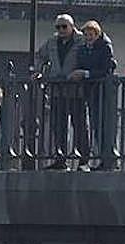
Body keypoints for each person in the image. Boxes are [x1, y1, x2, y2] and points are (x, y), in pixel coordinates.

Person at [36, 14, 91, 170]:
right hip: (57, 90)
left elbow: (94, 52)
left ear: (72, 27)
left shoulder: (82, 40)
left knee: (79, 126)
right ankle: (60, 159)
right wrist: (39, 71)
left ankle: (84, 160)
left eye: (64, 26)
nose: (60, 30)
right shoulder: (52, 41)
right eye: (58, 27)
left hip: (76, 90)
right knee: (58, 126)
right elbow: (40, 56)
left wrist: (84, 73)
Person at [76, 20, 117, 170]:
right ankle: (103, 159)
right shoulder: (85, 48)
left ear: (97, 34)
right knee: (96, 126)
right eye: (86, 35)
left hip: (103, 93)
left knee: (104, 126)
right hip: (91, 92)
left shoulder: (104, 47)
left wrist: (86, 74)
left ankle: (109, 160)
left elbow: (106, 69)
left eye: (91, 34)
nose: (88, 37)